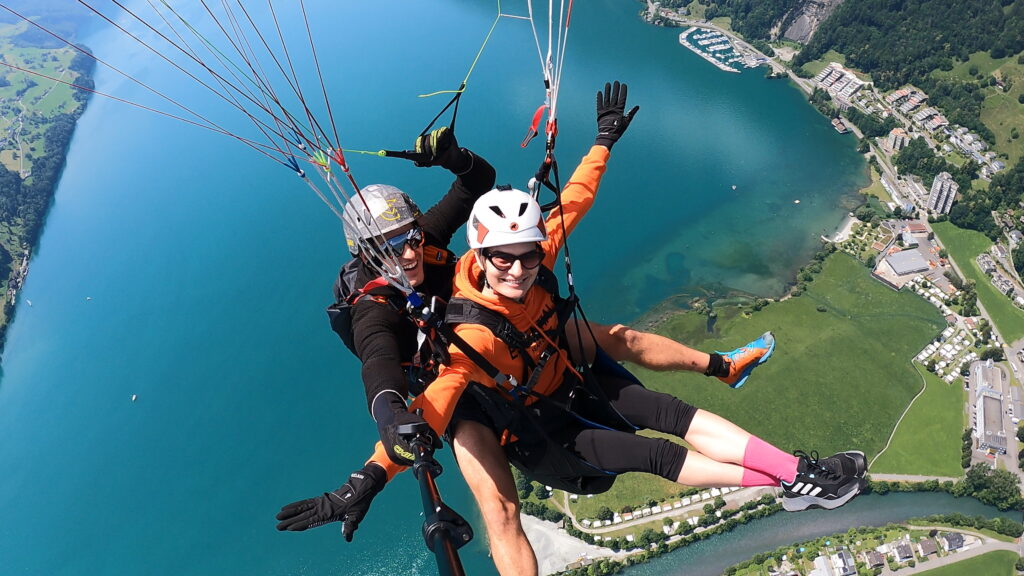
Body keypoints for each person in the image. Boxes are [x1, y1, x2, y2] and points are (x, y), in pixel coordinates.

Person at [278, 83, 867, 574]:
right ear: (367, 252)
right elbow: (388, 370)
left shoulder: (471, 248)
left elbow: (560, 199)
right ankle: (787, 477)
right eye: (390, 246)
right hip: (459, 374)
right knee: (500, 510)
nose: (407, 253)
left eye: (410, 237)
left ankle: (738, 388)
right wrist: (370, 471)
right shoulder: (379, 309)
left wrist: (601, 141)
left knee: (623, 343)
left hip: (529, 348)